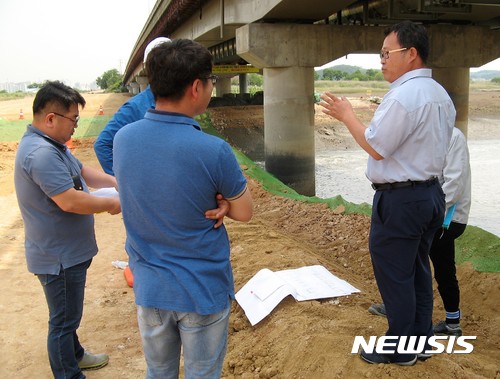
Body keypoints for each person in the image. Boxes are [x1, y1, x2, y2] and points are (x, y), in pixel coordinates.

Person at [113, 39, 253, 378]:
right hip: (201, 290)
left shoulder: (123, 139)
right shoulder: (213, 150)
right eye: (210, 82)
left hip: (150, 288)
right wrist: (223, 204)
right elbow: (245, 211)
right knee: (202, 373)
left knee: (158, 371)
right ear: (195, 87)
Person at [319, 20, 455, 366]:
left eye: (386, 53)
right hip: (430, 195)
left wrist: (347, 115)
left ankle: (399, 348)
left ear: (410, 54)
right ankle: (420, 340)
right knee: (417, 269)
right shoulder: (440, 93)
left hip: (402, 199)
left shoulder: (404, 96)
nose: (381, 60)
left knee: (396, 274)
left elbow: (377, 147)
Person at [14, 81, 121, 378]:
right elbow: (70, 201)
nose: (76, 125)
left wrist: (115, 182)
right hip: (58, 257)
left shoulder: (53, 146)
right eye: (73, 119)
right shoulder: (41, 154)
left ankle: (76, 355)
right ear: (51, 119)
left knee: (67, 314)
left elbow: (82, 172)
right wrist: (112, 204)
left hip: (65, 251)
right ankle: (68, 373)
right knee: (63, 321)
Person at [368, 127, 472, 338]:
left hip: (446, 217)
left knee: (433, 266)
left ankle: (444, 322)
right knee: (416, 263)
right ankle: (419, 314)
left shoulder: (453, 137)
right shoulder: (428, 134)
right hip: (429, 212)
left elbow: (455, 181)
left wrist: (431, 208)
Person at [94, 36, 171, 176]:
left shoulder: (181, 101)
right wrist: (124, 181)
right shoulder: (135, 107)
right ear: (148, 68)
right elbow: (103, 144)